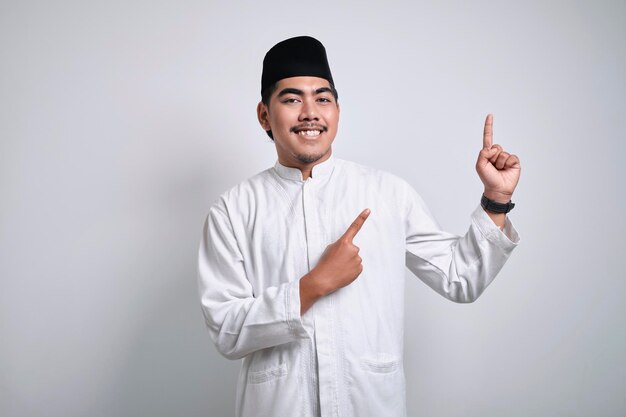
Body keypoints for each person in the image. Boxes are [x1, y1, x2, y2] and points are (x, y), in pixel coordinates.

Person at [198, 36, 520, 417]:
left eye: (322, 98)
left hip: (369, 404)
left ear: (336, 110)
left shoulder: (387, 193)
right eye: (291, 99)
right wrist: (313, 285)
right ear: (265, 115)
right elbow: (227, 330)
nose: (309, 112)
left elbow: (459, 278)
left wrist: (495, 200)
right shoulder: (234, 209)